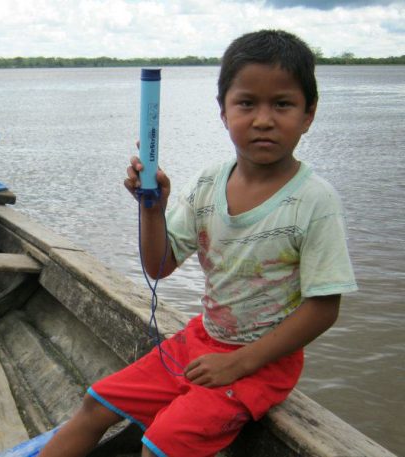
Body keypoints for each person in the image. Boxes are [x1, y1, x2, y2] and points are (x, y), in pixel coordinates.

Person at [38, 29, 358, 457]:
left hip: (264, 364)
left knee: (160, 444)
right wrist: (152, 207)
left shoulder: (314, 201)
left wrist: (240, 363)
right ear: (224, 112)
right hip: (201, 340)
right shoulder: (209, 183)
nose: (263, 119)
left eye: (282, 104)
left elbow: (323, 307)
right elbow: (159, 265)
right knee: (96, 402)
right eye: (246, 103)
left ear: (308, 114)